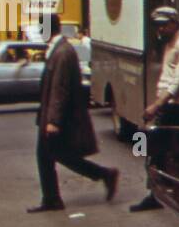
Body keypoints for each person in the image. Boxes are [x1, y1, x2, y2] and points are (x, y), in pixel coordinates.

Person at [29, 31, 119, 214]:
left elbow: (59, 88)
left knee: (53, 155)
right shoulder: (59, 49)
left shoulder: (62, 52)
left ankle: (103, 175)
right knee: (54, 155)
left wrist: (53, 120)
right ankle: (102, 175)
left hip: (58, 118)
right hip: (52, 115)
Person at [130, 6, 179, 212]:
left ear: (174, 23)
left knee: (176, 152)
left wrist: (156, 105)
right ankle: (156, 192)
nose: (160, 29)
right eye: (157, 26)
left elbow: (178, 82)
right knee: (157, 151)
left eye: (163, 25)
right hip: (168, 105)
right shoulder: (168, 44)